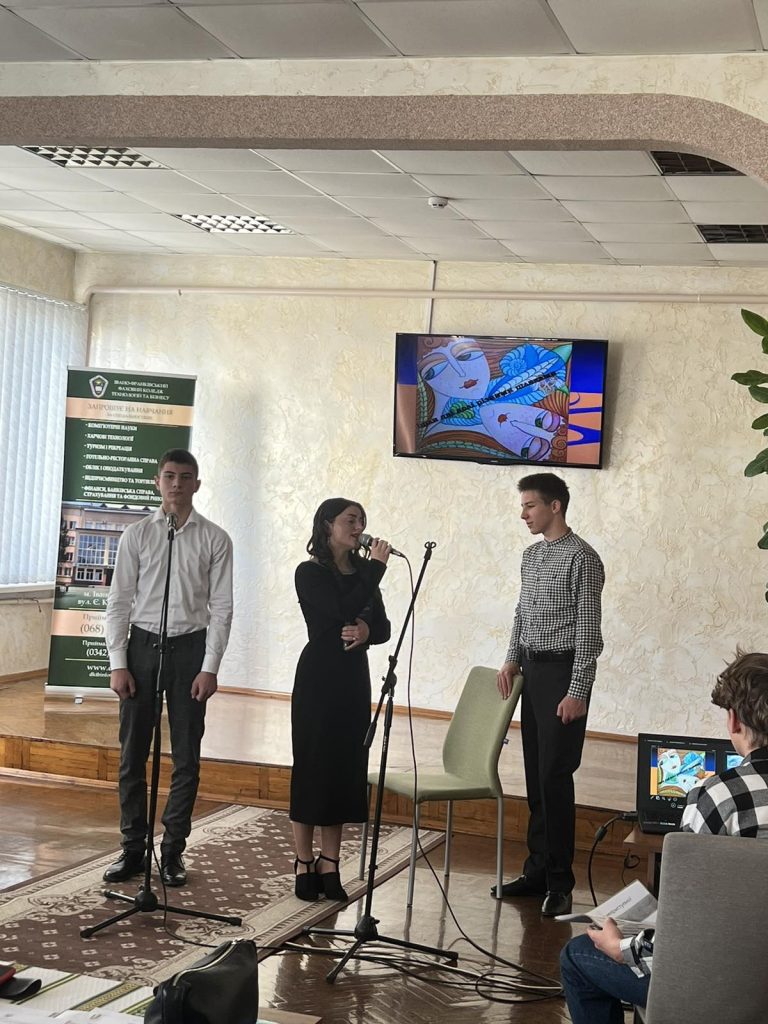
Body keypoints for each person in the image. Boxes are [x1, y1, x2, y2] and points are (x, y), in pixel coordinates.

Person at [559, 650, 768, 1023]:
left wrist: (621, 947)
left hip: (728, 987)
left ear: (734, 720)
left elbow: (685, 927)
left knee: (577, 956)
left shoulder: (717, 796)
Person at [103, 449, 233, 888]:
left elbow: (222, 607)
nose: (177, 484)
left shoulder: (215, 539)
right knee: (131, 755)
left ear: (197, 484)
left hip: (190, 649)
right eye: (170, 476)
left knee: (186, 758)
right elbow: (119, 601)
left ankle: (173, 850)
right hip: (142, 647)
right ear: (157, 481)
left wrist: (210, 666)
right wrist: (118, 662)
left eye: (186, 477)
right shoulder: (137, 535)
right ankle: (132, 849)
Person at [495, 472, 604, 916]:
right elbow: (521, 612)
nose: (523, 514)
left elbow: (589, 633)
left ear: (554, 506)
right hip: (532, 672)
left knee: (555, 778)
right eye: (522, 506)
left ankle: (560, 882)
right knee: (536, 777)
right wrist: (511, 658)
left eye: (530, 506)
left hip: (563, 675)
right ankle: (537, 871)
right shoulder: (532, 556)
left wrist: (578, 690)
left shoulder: (583, 559)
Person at [290, 498, 391, 902]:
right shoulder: (309, 572)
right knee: (313, 765)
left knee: (342, 768)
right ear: (327, 525)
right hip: (318, 678)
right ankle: (303, 860)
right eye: (350, 520)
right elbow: (339, 609)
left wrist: (367, 630)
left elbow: (382, 626)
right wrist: (376, 569)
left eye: (362, 520)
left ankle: (330, 862)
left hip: (352, 679)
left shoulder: (364, 571)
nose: (359, 527)